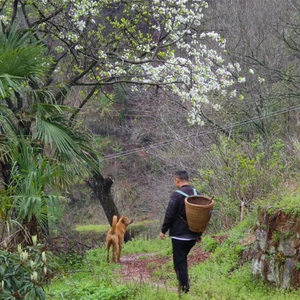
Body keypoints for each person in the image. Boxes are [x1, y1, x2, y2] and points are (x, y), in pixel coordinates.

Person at [160, 170, 202, 294]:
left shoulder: (176, 195)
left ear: (177, 180)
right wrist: (199, 234)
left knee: (180, 263)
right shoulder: (197, 194)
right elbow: (201, 216)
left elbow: (170, 214)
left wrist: (163, 230)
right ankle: (184, 287)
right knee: (182, 260)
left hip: (179, 236)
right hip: (192, 237)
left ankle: (184, 290)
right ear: (189, 179)